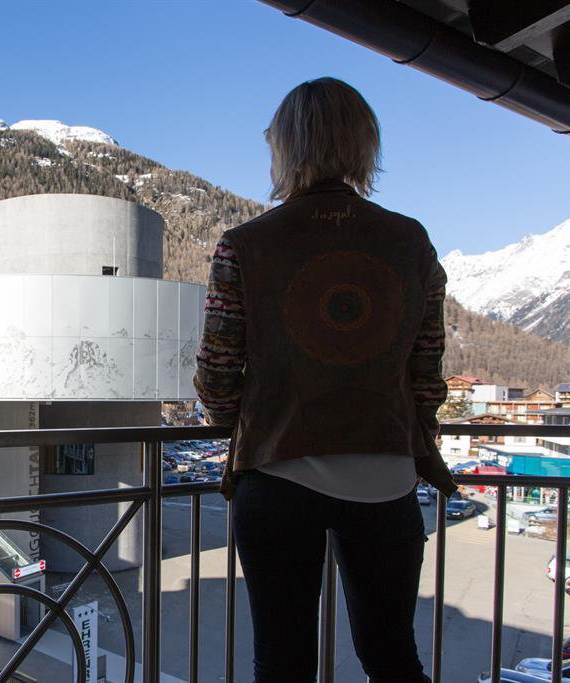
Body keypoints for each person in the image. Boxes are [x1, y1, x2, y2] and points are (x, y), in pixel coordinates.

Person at [194, 77, 457, 683]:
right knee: (392, 658)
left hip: (277, 476)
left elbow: (217, 371)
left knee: (282, 664)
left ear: (285, 147)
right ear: (365, 145)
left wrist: (239, 425)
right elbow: (427, 371)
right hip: (387, 477)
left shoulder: (245, 245)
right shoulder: (410, 241)